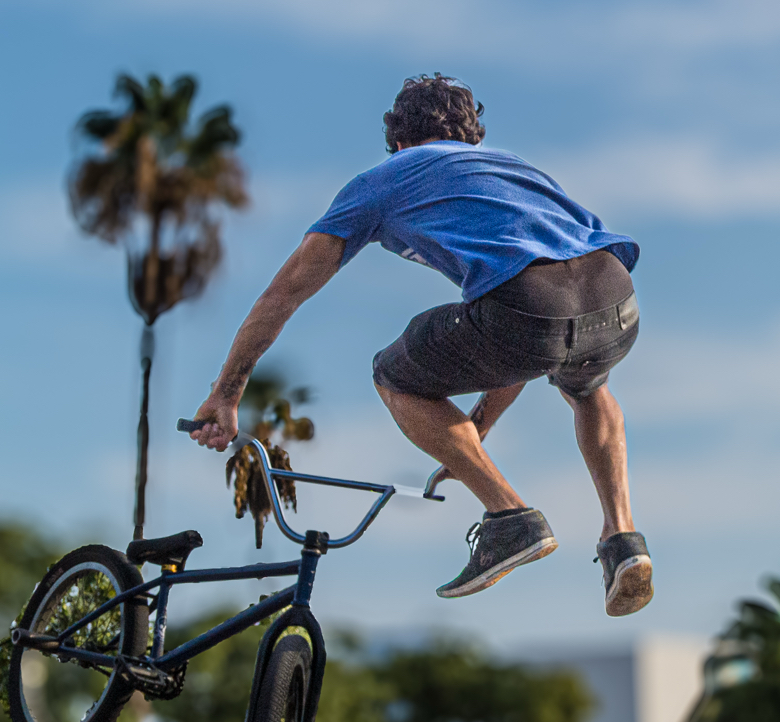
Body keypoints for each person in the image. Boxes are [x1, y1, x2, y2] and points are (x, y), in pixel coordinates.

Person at [189, 74, 652, 617]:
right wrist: (474, 431)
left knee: (394, 374)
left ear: (399, 141)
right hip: (616, 300)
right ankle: (623, 539)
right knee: (588, 386)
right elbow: (533, 342)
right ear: (471, 137)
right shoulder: (514, 170)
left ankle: (509, 517)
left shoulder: (383, 180)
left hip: (529, 307)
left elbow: (283, 293)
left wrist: (227, 391)